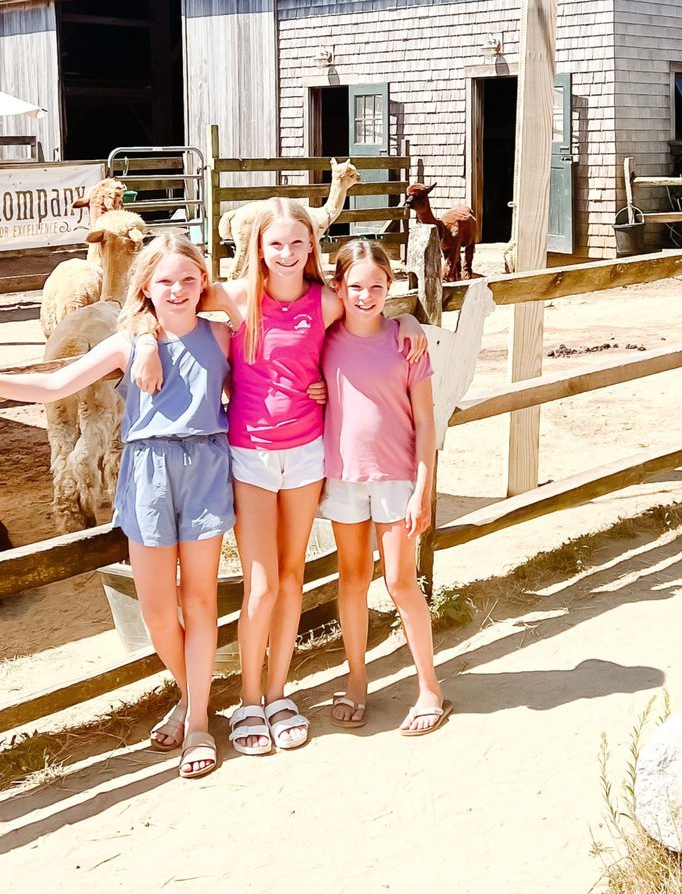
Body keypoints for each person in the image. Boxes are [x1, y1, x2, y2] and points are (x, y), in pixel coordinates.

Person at [134, 200, 426, 757]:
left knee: (292, 580)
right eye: (276, 245)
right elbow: (167, 300)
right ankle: (246, 699)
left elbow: (377, 308)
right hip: (250, 455)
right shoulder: (237, 298)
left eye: (298, 244)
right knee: (261, 583)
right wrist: (147, 340)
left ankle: (277, 693)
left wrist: (409, 318)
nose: (287, 254)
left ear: (311, 249)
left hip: (307, 452)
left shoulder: (325, 301)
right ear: (258, 249)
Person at [0, 233, 233, 780]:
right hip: (148, 475)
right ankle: (190, 694)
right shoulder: (128, 342)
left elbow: (263, 370)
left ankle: (197, 720)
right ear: (145, 286)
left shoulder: (222, 336)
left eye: (189, 279)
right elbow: (57, 384)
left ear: (204, 282)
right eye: (165, 281)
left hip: (205, 468)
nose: (177, 290)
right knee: (156, 610)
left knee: (199, 602)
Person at [321, 238, 448, 735]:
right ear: (339, 287)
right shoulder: (325, 340)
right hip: (344, 479)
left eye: (376, 286)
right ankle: (357, 679)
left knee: (400, 581)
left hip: (396, 480)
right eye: (355, 286)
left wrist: (423, 489)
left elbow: (427, 424)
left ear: (388, 287)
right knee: (351, 580)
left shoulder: (406, 342)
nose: (365, 295)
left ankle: (430, 687)